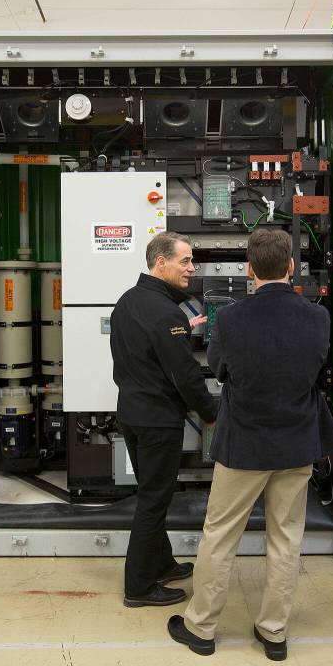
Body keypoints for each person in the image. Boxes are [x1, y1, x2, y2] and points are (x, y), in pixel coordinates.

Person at [166, 228, 333, 661]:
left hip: (244, 444)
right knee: (286, 538)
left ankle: (201, 628)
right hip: (297, 443)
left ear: (249, 269)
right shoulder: (318, 317)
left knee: (221, 534)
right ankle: (274, 633)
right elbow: (317, 369)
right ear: (291, 268)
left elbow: (221, 371)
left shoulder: (230, 319)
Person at [110, 232, 217, 608]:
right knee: (153, 501)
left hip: (131, 414)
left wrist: (179, 332)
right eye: (185, 261)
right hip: (157, 421)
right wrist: (211, 413)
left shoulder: (127, 302)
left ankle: (163, 563)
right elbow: (185, 374)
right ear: (161, 263)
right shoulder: (167, 312)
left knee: (151, 493)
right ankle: (138, 587)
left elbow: (142, 353)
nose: (192, 268)